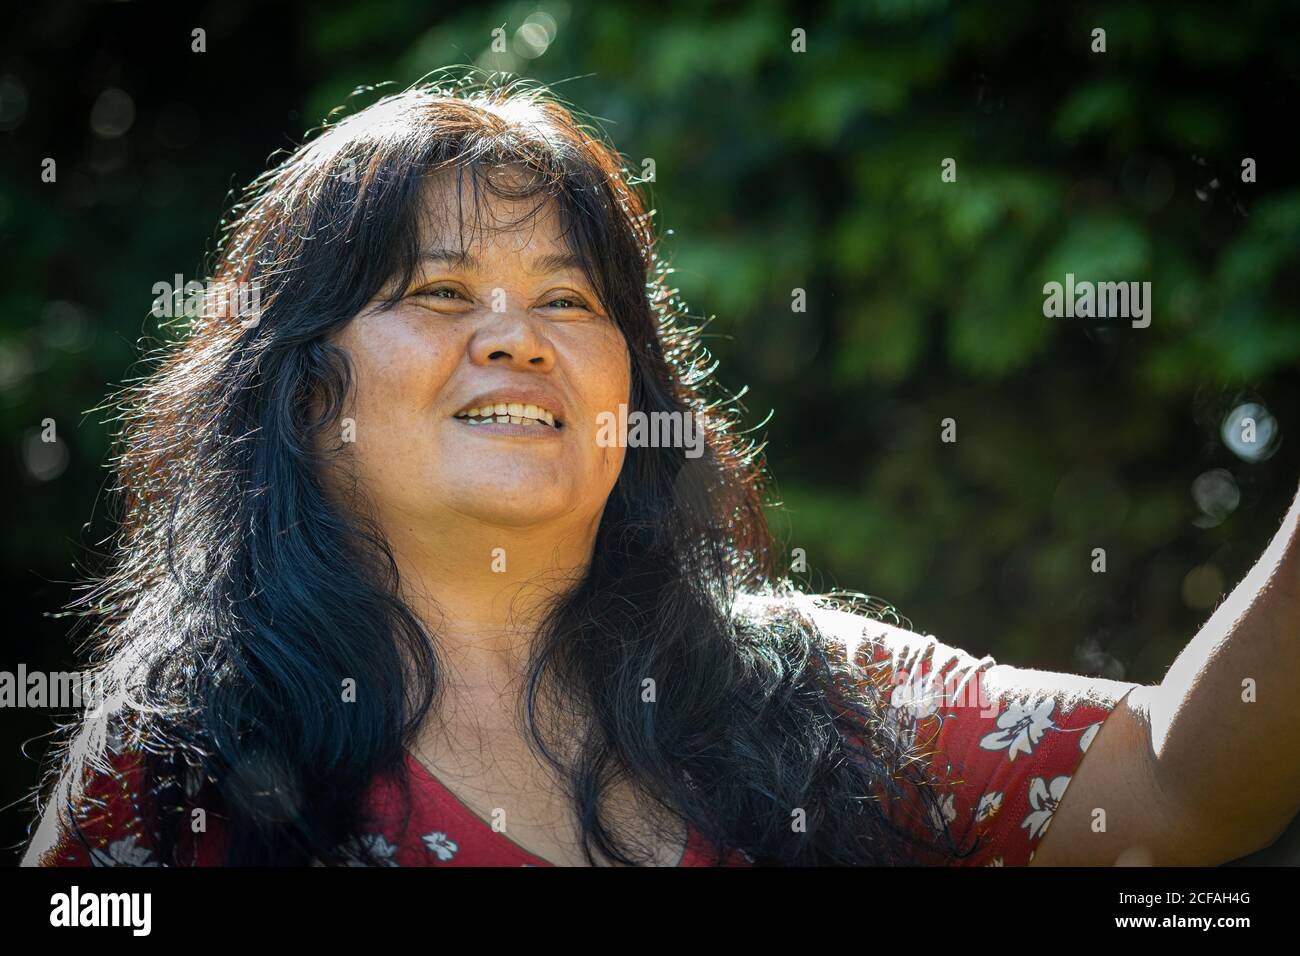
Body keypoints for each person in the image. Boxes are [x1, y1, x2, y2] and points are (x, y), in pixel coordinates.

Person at [22, 73, 1300, 867]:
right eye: (441, 288)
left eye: (571, 301)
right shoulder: (181, 758)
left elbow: (1181, 789)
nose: (517, 335)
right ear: (304, 394)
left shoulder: (811, 697)